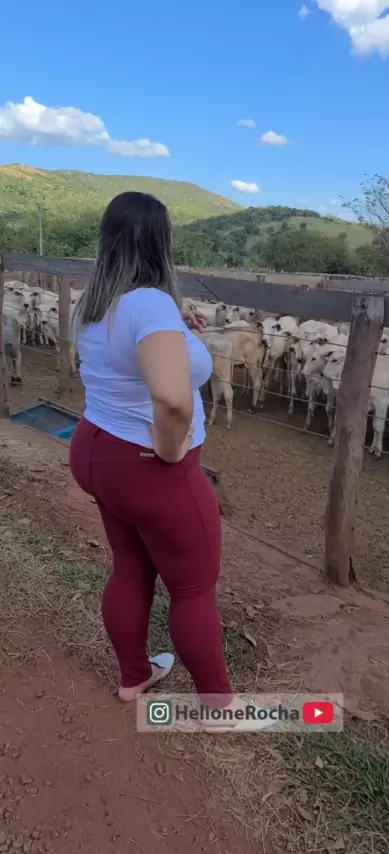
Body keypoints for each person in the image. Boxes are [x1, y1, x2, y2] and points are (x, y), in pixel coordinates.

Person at [69, 191, 272, 733]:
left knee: (130, 565)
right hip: (147, 464)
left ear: (108, 239)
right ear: (160, 242)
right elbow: (173, 399)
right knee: (193, 588)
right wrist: (169, 448)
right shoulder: (149, 304)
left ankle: (133, 677)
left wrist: (178, 327)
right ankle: (219, 708)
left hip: (95, 449)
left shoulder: (93, 302)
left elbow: (126, 354)